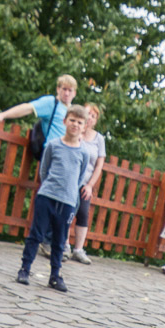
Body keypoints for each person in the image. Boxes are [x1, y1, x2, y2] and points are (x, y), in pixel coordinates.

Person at [15, 104, 93, 293]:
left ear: (84, 127)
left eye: (79, 122)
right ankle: (25, 269)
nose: (75, 124)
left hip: (67, 202)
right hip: (47, 197)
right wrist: (51, 187)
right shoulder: (53, 145)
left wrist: (70, 192)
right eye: (72, 120)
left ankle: (55, 276)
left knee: (60, 240)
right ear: (65, 121)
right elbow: (44, 170)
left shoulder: (84, 152)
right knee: (36, 234)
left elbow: (80, 177)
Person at [65, 102, 107, 265]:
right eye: (88, 113)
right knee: (67, 212)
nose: (90, 118)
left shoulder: (99, 139)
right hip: (70, 180)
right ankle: (64, 245)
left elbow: (99, 165)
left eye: (93, 116)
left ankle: (78, 250)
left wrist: (90, 185)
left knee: (83, 213)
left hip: (85, 183)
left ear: (96, 120)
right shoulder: (75, 132)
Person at [0, 74, 76, 147]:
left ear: (74, 93)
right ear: (58, 89)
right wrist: (3, 115)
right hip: (53, 154)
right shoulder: (51, 103)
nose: (67, 93)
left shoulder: (74, 111)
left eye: (70, 90)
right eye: (64, 89)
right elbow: (27, 108)